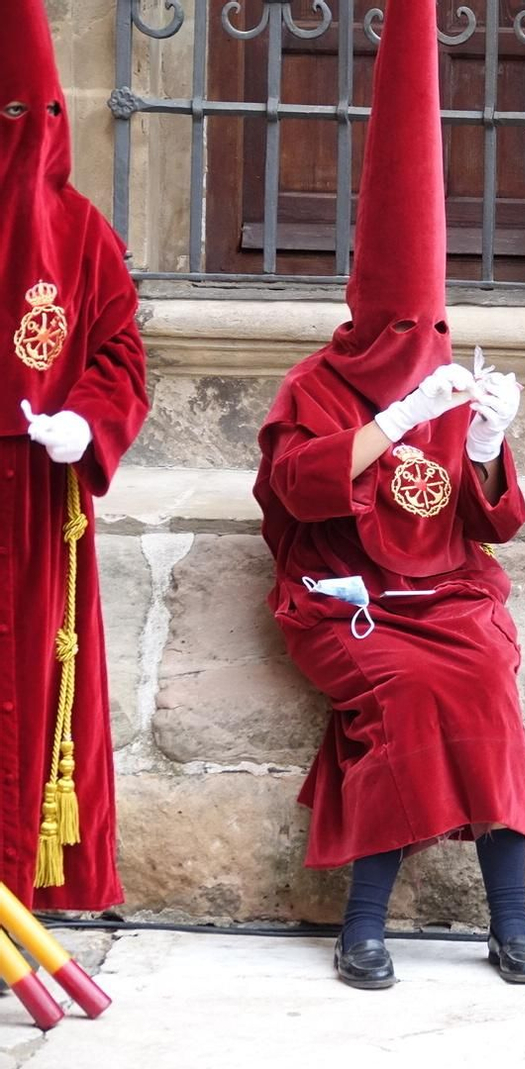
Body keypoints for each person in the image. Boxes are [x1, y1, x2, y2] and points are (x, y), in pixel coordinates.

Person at [254, 1, 525, 991]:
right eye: (405, 322)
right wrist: (390, 420)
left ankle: (513, 916)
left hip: (451, 595)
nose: (425, 340)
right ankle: (363, 924)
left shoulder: (451, 381)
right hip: (346, 597)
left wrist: (493, 443)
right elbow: (295, 483)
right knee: (409, 698)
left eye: (436, 322)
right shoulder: (315, 385)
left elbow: (494, 520)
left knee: (490, 694)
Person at [0, 0, 148, 910]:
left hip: (39, 498)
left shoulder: (84, 232)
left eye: (34, 115)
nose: (20, 136)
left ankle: (21, 895)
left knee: (32, 690)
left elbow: (121, 353)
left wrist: (85, 420)